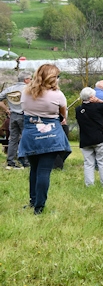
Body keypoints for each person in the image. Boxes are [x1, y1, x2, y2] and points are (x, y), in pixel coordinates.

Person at [18, 64, 71, 214]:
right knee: (44, 171)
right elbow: (63, 114)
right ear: (53, 78)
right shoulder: (57, 95)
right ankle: (39, 207)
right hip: (51, 136)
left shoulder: (26, 92)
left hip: (31, 134)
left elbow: (23, 110)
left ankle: (33, 200)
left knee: (34, 169)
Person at [75, 87, 103, 188]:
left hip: (85, 139)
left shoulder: (78, 110)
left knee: (88, 163)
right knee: (102, 162)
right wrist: (99, 100)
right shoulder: (98, 106)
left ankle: (89, 185)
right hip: (99, 138)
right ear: (92, 97)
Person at [1, 71, 31, 169]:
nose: (31, 80)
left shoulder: (10, 89)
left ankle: (10, 161)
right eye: (30, 79)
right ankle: (26, 162)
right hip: (24, 115)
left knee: (13, 139)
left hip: (12, 115)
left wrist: (6, 110)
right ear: (25, 80)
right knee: (26, 138)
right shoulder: (28, 89)